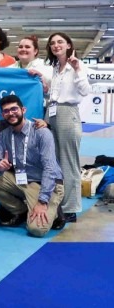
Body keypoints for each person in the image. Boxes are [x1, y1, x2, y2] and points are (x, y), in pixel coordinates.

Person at [0, 95, 66, 236]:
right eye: (6, 111)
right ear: (2, 114)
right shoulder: (3, 136)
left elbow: (50, 168)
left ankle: (55, 209)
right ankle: (21, 210)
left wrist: (42, 201)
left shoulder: (41, 132)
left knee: (37, 230)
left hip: (45, 184)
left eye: (14, 109)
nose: (11, 113)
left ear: (23, 110)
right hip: (21, 181)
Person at [44, 32, 90, 224]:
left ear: (69, 45)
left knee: (68, 162)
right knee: (52, 161)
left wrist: (77, 69)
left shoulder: (77, 66)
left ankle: (71, 208)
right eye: (53, 43)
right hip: (51, 112)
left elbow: (85, 91)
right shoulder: (55, 67)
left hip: (67, 113)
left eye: (60, 42)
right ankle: (57, 203)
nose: (56, 45)